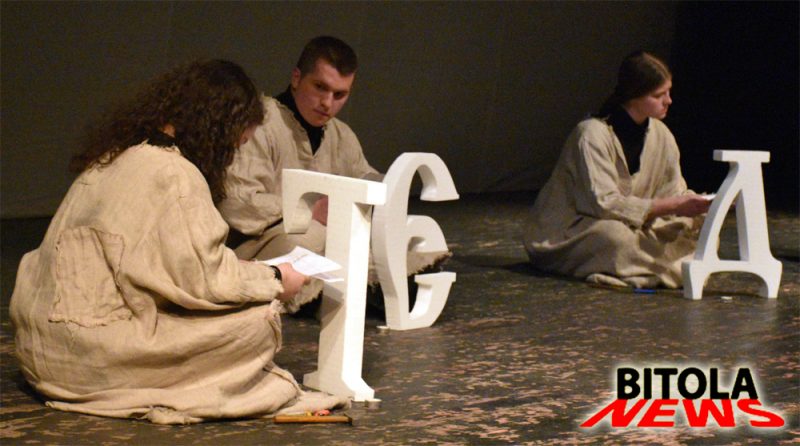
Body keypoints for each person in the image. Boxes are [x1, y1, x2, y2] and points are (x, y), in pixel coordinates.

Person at [10, 60, 346, 424]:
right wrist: (277, 279)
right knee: (256, 321)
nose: (232, 155)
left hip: (39, 348)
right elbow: (205, 281)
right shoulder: (174, 174)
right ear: (219, 129)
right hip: (85, 357)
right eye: (236, 144)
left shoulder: (117, 155)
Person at [218, 36, 447, 307]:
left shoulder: (341, 134)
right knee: (308, 236)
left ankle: (368, 286)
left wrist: (391, 185)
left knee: (390, 238)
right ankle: (329, 293)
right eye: (320, 87)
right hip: (261, 245)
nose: (327, 103)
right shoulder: (261, 122)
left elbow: (365, 178)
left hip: (323, 240)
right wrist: (307, 208)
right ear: (296, 78)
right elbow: (237, 204)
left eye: (340, 95)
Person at [523, 51, 711, 289]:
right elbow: (603, 204)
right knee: (615, 238)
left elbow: (674, 190)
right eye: (658, 95)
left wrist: (702, 204)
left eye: (668, 92)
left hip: (637, 226)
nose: (668, 101)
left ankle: (644, 270)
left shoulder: (661, 134)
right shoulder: (591, 134)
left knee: (697, 229)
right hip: (582, 226)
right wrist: (672, 205)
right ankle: (667, 271)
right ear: (634, 96)